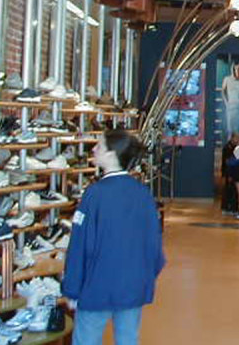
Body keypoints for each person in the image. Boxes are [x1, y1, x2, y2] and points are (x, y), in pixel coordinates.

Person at [62, 129, 165, 345]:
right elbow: (154, 245)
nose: (93, 149)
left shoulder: (94, 194)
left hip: (97, 285)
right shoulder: (143, 194)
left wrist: (72, 288)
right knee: (128, 338)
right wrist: (144, 278)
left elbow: (80, 244)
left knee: (86, 339)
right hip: (132, 285)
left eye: (99, 145)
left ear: (111, 154)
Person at [221, 62, 239, 136]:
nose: (238, 71)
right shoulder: (227, 79)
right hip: (230, 107)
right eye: (236, 69)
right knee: (230, 130)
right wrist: (226, 103)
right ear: (233, 69)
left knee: (238, 129)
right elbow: (223, 92)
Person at [221, 133, 239, 216]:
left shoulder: (236, 147)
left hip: (234, 172)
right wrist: (228, 174)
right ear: (232, 138)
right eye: (237, 138)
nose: (238, 140)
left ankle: (233, 208)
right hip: (229, 172)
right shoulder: (227, 148)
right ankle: (226, 208)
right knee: (229, 191)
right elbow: (227, 162)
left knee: (234, 191)